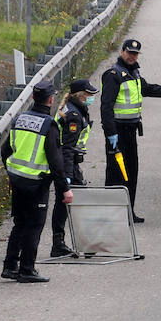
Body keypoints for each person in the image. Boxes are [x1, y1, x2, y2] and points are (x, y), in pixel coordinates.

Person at [0, 81, 73, 282]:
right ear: (51, 100)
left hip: (17, 180)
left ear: (33, 98)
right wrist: (65, 189)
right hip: (37, 183)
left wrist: (12, 172)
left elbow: (5, 150)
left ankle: (10, 266)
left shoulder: (19, 119)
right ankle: (27, 270)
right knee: (34, 225)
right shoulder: (49, 125)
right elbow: (56, 161)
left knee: (20, 223)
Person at [101, 38, 161, 223]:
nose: (132, 56)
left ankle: (128, 212)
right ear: (122, 52)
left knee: (131, 173)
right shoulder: (113, 74)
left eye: (135, 54)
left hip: (130, 131)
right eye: (129, 52)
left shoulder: (133, 73)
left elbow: (145, 88)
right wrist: (110, 133)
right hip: (117, 131)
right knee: (116, 174)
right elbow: (106, 106)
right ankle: (111, 214)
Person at [50, 78, 96, 258]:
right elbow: (68, 147)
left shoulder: (72, 108)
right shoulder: (74, 116)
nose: (92, 97)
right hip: (67, 163)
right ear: (82, 96)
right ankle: (85, 243)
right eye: (90, 94)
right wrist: (67, 176)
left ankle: (59, 243)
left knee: (64, 204)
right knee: (78, 201)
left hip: (66, 162)